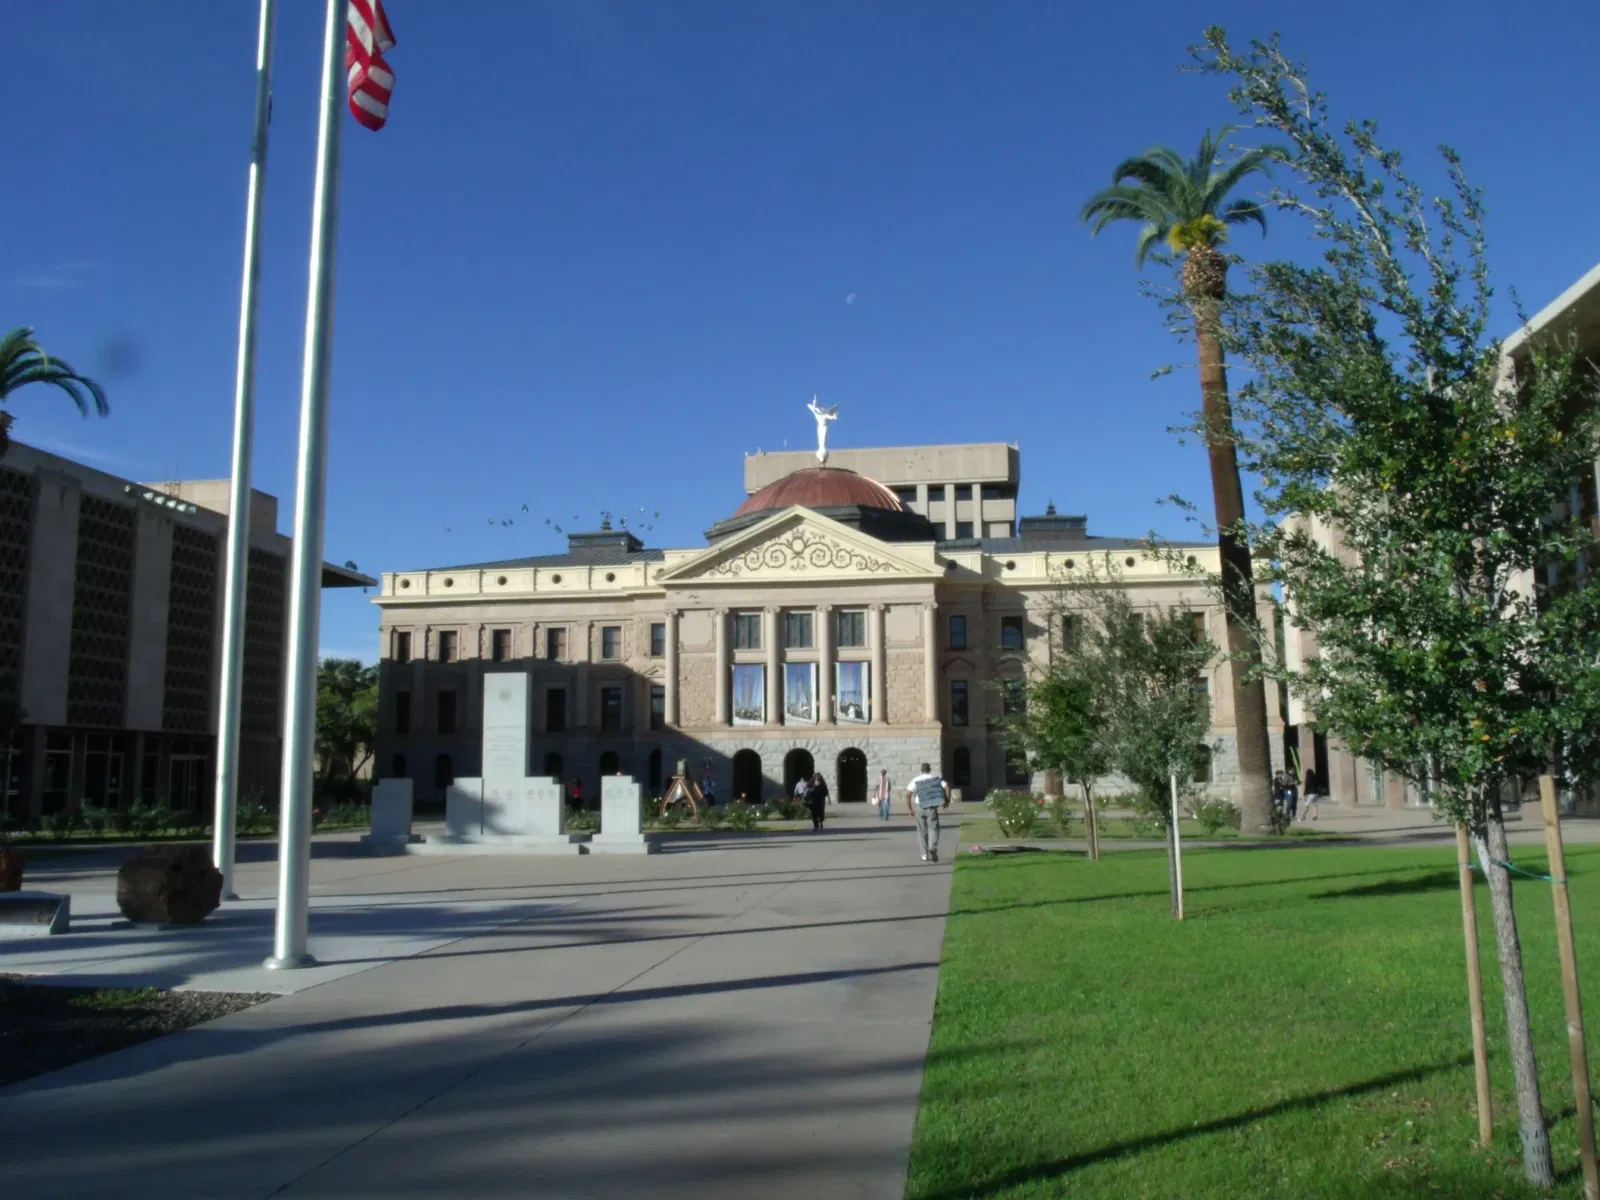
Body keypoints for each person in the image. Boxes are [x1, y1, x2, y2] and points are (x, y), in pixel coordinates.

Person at [905, 761, 950, 863]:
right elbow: (947, 787)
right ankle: (932, 847)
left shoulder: (916, 780)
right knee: (933, 828)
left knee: (921, 831)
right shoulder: (935, 778)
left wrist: (910, 809)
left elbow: (908, 794)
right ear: (930, 769)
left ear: (921, 770)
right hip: (932, 807)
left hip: (919, 807)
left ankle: (924, 854)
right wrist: (947, 801)